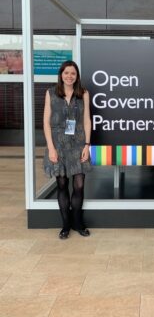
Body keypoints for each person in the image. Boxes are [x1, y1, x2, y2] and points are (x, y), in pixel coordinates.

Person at [43, 60, 92, 239]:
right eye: (66, 73)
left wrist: (87, 145)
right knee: (62, 185)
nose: (69, 76)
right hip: (58, 144)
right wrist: (51, 148)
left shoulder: (83, 93)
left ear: (77, 75)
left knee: (79, 185)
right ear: (61, 75)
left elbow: (87, 120)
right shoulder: (51, 93)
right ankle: (65, 225)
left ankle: (78, 222)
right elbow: (46, 122)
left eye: (73, 73)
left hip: (79, 143)